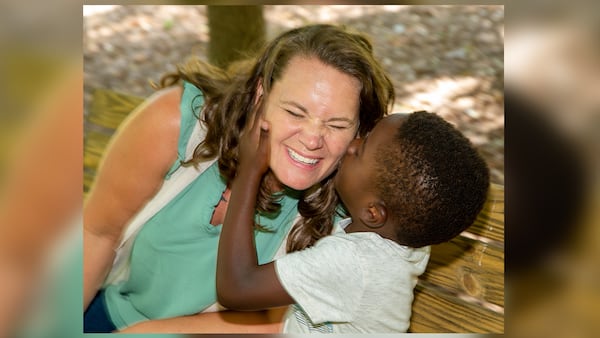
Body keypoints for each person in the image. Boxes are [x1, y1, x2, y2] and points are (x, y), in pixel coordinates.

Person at [83, 24, 395, 332]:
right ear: (262, 94)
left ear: (358, 132)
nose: (313, 139)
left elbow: (270, 323)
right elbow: (96, 233)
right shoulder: (178, 124)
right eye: (296, 113)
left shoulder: (345, 217)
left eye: (337, 125)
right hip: (102, 312)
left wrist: (145, 333)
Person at [216, 110, 490, 333]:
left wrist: (249, 171)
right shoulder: (405, 233)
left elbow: (237, 287)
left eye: (361, 150)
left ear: (373, 213)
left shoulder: (355, 262)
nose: (352, 144)